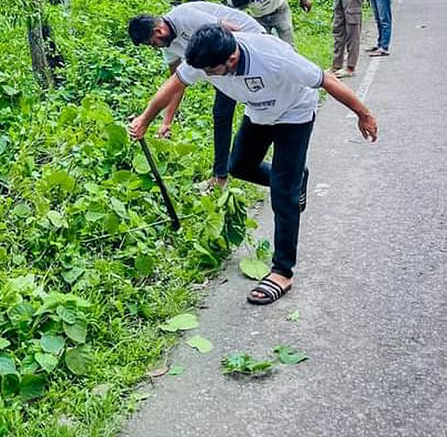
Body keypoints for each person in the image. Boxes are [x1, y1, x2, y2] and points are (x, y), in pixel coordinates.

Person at [128, 25, 377, 305]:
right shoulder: (206, 56)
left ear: (231, 61)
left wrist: (363, 114)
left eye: (210, 72)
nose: (205, 76)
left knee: (283, 194)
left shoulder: (272, 56)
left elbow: (326, 80)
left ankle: (283, 271)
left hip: (294, 113)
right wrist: (145, 119)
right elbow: (175, 85)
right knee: (239, 167)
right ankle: (296, 179)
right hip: (258, 113)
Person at [128, 1, 265, 189]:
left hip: (249, 45)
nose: (155, 48)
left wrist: (230, 71)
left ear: (158, 32)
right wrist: (167, 121)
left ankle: (241, 169)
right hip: (220, 65)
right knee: (222, 114)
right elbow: (176, 83)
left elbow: (232, 31)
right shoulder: (168, 45)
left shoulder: (184, 16)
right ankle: (221, 177)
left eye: (153, 44)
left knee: (258, 107)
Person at [225, 0, 313, 48]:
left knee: (288, 41)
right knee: (263, 44)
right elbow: (233, 14)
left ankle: (293, 64)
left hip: (279, 9)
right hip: (259, 16)